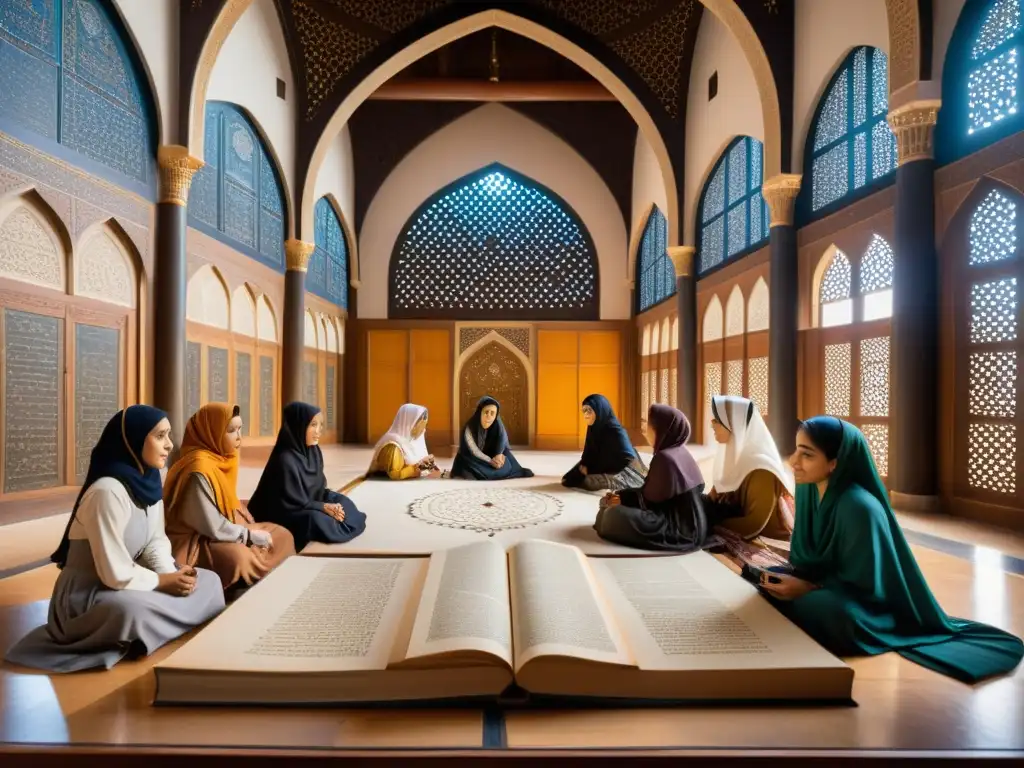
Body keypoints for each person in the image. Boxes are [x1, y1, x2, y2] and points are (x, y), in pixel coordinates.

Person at [758, 415, 1023, 684]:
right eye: (795, 451)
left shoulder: (859, 507)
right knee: (765, 578)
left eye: (807, 455)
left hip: (862, 604)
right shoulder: (808, 491)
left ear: (833, 463)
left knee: (827, 610)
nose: (793, 462)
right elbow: (804, 557)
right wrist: (798, 579)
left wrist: (809, 588)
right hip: (821, 585)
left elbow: (866, 585)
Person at [4, 406, 225, 673]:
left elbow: (155, 541)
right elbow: (112, 570)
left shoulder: (149, 480)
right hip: (88, 596)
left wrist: (171, 574)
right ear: (133, 440)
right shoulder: (106, 492)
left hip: (128, 583)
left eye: (169, 436)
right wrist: (161, 582)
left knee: (210, 581)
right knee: (129, 611)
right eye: (160, 436)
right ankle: (145, 631)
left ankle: (147, 634)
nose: (169, 445)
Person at [163, 403, 295, 593]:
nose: (239, 437)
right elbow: (209, 524)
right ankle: (245, 588)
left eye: (240, 429)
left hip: (226, 526)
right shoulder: (198, 469)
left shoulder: (222, 458)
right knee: (240, 558)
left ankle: (263, 578)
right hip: (198, 539)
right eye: (231, 431)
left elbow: (226, 504)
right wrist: (248, 535)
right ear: (212, 433)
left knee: (282, 534)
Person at [246, 402, 367, 551]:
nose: (318, 431)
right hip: (284, 512)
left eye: (320, 426)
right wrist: (323, 507)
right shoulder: (285, 460)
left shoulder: (314, 451)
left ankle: (337, 521)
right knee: (314, 519)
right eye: (313, 425)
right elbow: (292, 502)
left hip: (308, 502)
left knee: (343, 501)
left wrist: (329, 503)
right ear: (299, 426)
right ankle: (336, 524)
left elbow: (319, 489)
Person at [593, 404, 709, 552]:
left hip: (678, 530)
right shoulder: (680, 452)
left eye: (648, 425)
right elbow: (652, 493)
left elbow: (649, 501)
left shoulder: (665, 458)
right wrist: (621, 496)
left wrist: (621, 501)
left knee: (611, 516)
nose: (644, 430)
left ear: (661, 429)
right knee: (610, 508)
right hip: (695, 527)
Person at [703, 395, 795, 540]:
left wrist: (708, 524)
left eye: (717, 420)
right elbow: (713, 499)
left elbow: (753, 525)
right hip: (735, 531)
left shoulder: (761, 469)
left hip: (766, 541)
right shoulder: (732, 459)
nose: (711, 425)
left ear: (735, 423)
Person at [562, 394, 648, 492]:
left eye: (589, 410)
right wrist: (585, 466)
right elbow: (589, 455)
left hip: (625, 469)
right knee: (568, 478)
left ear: (600, 410)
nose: (585, 415)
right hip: (603, 464)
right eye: (584, 411)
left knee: (588, 482)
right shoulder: (593, 428)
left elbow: (629, 460)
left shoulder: (616, 431)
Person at [449, 396, 534, 480]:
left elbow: (502, 441)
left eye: (492, 413)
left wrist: (499, 455)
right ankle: (481, 473)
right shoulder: (469, 428)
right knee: (474, 468)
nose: (489, 416)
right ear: (480, 413)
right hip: (473, 458)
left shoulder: (497, 426)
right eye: (486, 412)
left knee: (506, 455)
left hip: (491, 456)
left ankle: (496, 471)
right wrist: (491, 461)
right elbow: (474, 451)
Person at [366, 403, 442, 480]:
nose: (423, 430)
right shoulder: (393, 446)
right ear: (409, 423)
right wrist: (419, 466)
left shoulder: (412, 441)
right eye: (420, 425)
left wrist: (428, 465)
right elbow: (395, 474)